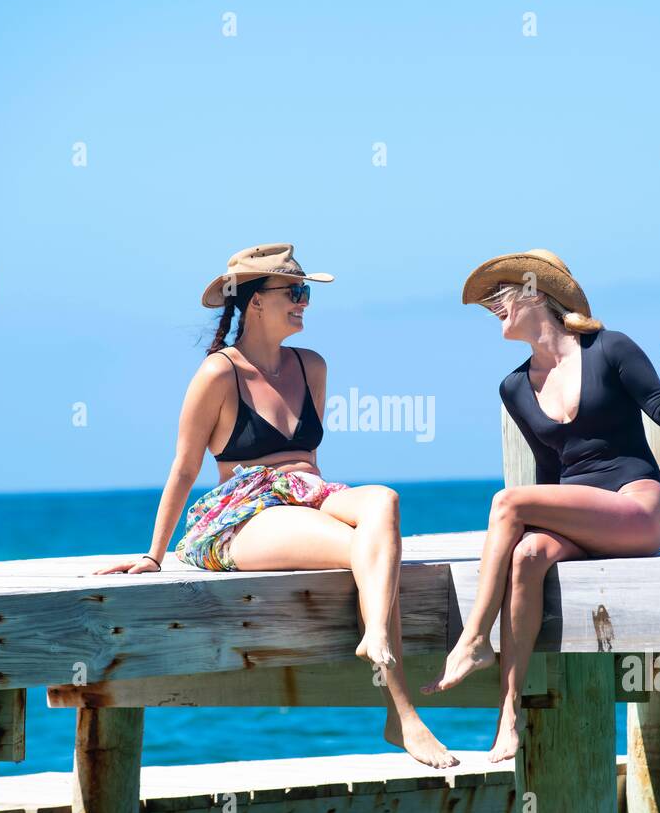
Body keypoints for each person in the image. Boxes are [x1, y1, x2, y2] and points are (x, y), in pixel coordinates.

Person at [96, 243, 457, 768]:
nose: (304, 302)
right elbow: (183, 467)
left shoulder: (312, 366)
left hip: (306, 494)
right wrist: (154, 554)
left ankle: (375, 634)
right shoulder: (219, 374)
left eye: (305, 292)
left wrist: (319, 498)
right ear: (255, 302)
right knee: (368, 551)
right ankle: (401, 712)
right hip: (241, 514)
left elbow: (309, 459)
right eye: (294, 292)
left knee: (384, 501)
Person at [422, 249, 660, 762]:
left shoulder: (610, 349)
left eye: (500, 294)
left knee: (508, 502)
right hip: (578, 512)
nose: (491, 306)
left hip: (634, 508)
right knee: (527, 555)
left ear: (535, 293)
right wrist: (533, 530)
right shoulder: (514, 387)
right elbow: (548, 473)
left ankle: (472, 639)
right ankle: (508, 716)